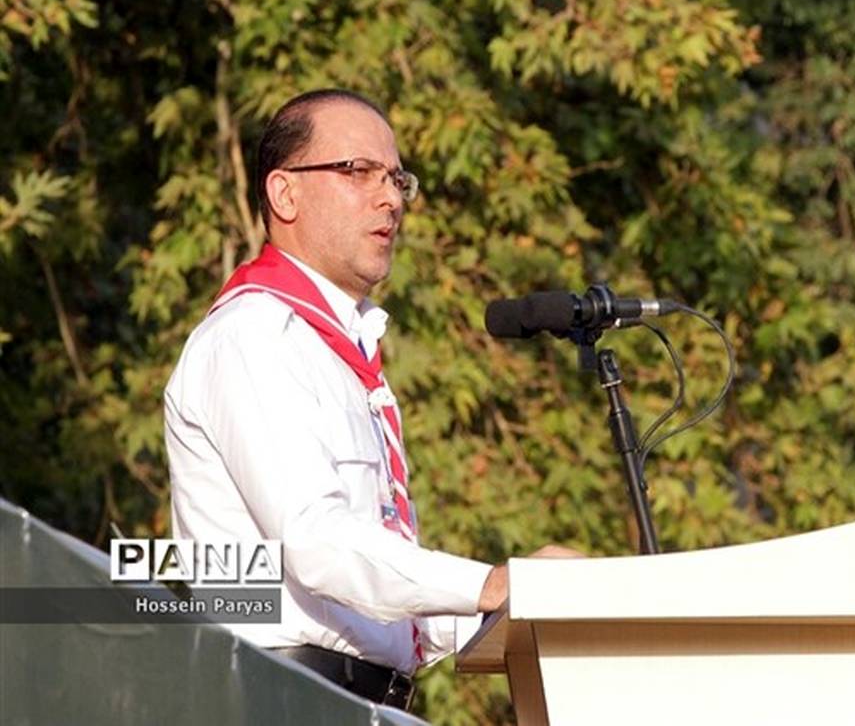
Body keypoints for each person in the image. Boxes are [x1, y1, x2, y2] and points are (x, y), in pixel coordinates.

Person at [164, 89, 578, 711]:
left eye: (396, 178)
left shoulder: (337, 349)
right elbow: (316, 544)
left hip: (353, 701)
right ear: (284, 194)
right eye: (358, 171)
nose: (391, 198)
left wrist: (527, 601)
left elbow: (376, 611)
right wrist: (490, 584)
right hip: (279, 698)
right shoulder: (254, 335)